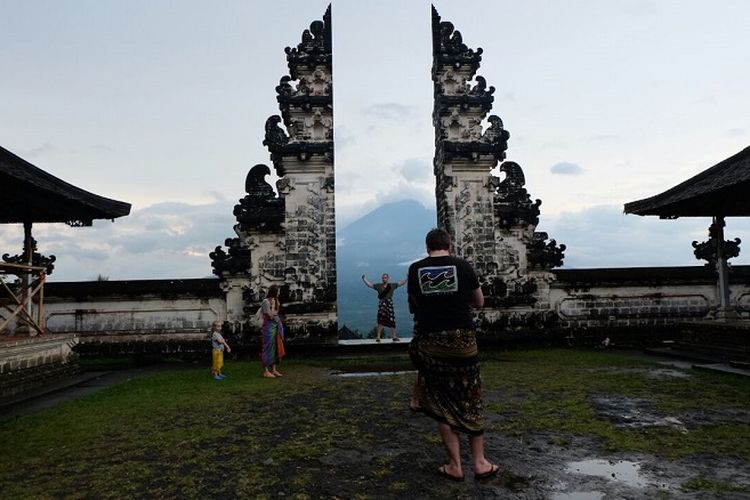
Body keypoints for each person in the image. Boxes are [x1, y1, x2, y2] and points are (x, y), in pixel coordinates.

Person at [407, 228, 500, 482]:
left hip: (432, 343)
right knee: (470, 397)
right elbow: (479, 302)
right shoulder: (463, 266)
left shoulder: (416, 270)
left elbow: (414, 306)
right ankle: (480, 463)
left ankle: (455, 465)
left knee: (441, 400)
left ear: (428, 247)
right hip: (463, 343)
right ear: (449, 245)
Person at [361, 273, 407, 342]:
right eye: (383, 278)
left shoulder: (392, 285)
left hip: (389, 304)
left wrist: (407, 278)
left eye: (385, 278)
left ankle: (394, 336)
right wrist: (364, 279)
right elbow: (370, 285)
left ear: (388, 278)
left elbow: (401, 283)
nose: (384, 279)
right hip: (382, 304)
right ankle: (378, 337)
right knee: (380, 320)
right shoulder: (379, 286)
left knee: (392, 320)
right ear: (382, 279)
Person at [260, 285, 285, 378]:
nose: (279, 293)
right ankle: (266, 371)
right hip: (268, 327)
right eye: (278, 291)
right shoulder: (266, 301)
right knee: (267, 348)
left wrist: (275, 305)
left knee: (276, 348)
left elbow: (275, 313)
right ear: (274, 292)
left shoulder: (276, 300)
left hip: (275, 326)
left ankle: (274, 369)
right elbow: (270, 315)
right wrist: (273, 305)